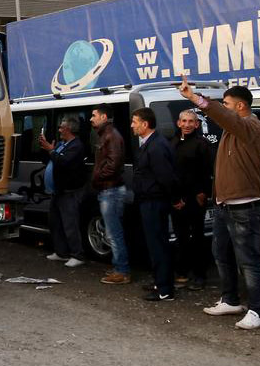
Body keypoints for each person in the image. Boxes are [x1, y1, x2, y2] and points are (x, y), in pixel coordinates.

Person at [179, 76, 260, 329]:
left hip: (245, 206)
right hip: (223, 204)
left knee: (249, 260)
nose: (224, 107)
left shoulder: (253, 127)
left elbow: (226, 117)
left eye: (227, 103)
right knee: (221, 253)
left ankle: (257, 312)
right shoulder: (232, 131)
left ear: (240, 106)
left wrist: (196, 98)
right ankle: (230, 300)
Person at [130, 107, 179, 302]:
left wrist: (175, 199)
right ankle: (160, 282)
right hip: (149, 201)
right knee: (155, 244)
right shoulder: (150, 143)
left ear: (145, 124)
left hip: (155, 202)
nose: (132, 125)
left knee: (158, 245)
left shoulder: (156, 146)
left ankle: (165, 290)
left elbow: (165, 176)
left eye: (135, 121)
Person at [170, 109, 213, 291]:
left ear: (197, 124)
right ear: (179, 123)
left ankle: (200, 276)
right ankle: (181, 273)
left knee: (197, 238)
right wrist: (175, 198)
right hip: (176, 200)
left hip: (195, 199)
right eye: (184, 121)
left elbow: (206, 172)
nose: (187, 125)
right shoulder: (171, 143)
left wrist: (202, 193)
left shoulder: (201, 144)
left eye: (191, 122)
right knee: (180, 238)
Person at [90, 104, 131, 285]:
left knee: (114, 233)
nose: (91, 119)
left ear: (104, 117)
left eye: (94, 115)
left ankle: (122, 271)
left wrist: (97, 177)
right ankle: (118, 266)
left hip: (111, 190)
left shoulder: (111, 136)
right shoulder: (106, 134)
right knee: (112, 231)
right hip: (109, 189)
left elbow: (113, 164)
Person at [38, 116, 86, 267]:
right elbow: (55, 159)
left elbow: (64, 162)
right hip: (57, 191)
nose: (59, 130)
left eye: (61, 127)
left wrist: (51, 150)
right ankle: (61, 252)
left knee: (69, 224)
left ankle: (77, 255)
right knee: (55, 222)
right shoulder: (62, 144)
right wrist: (50, 150)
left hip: (69, 191)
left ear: (69, 129)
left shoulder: (76, 146)